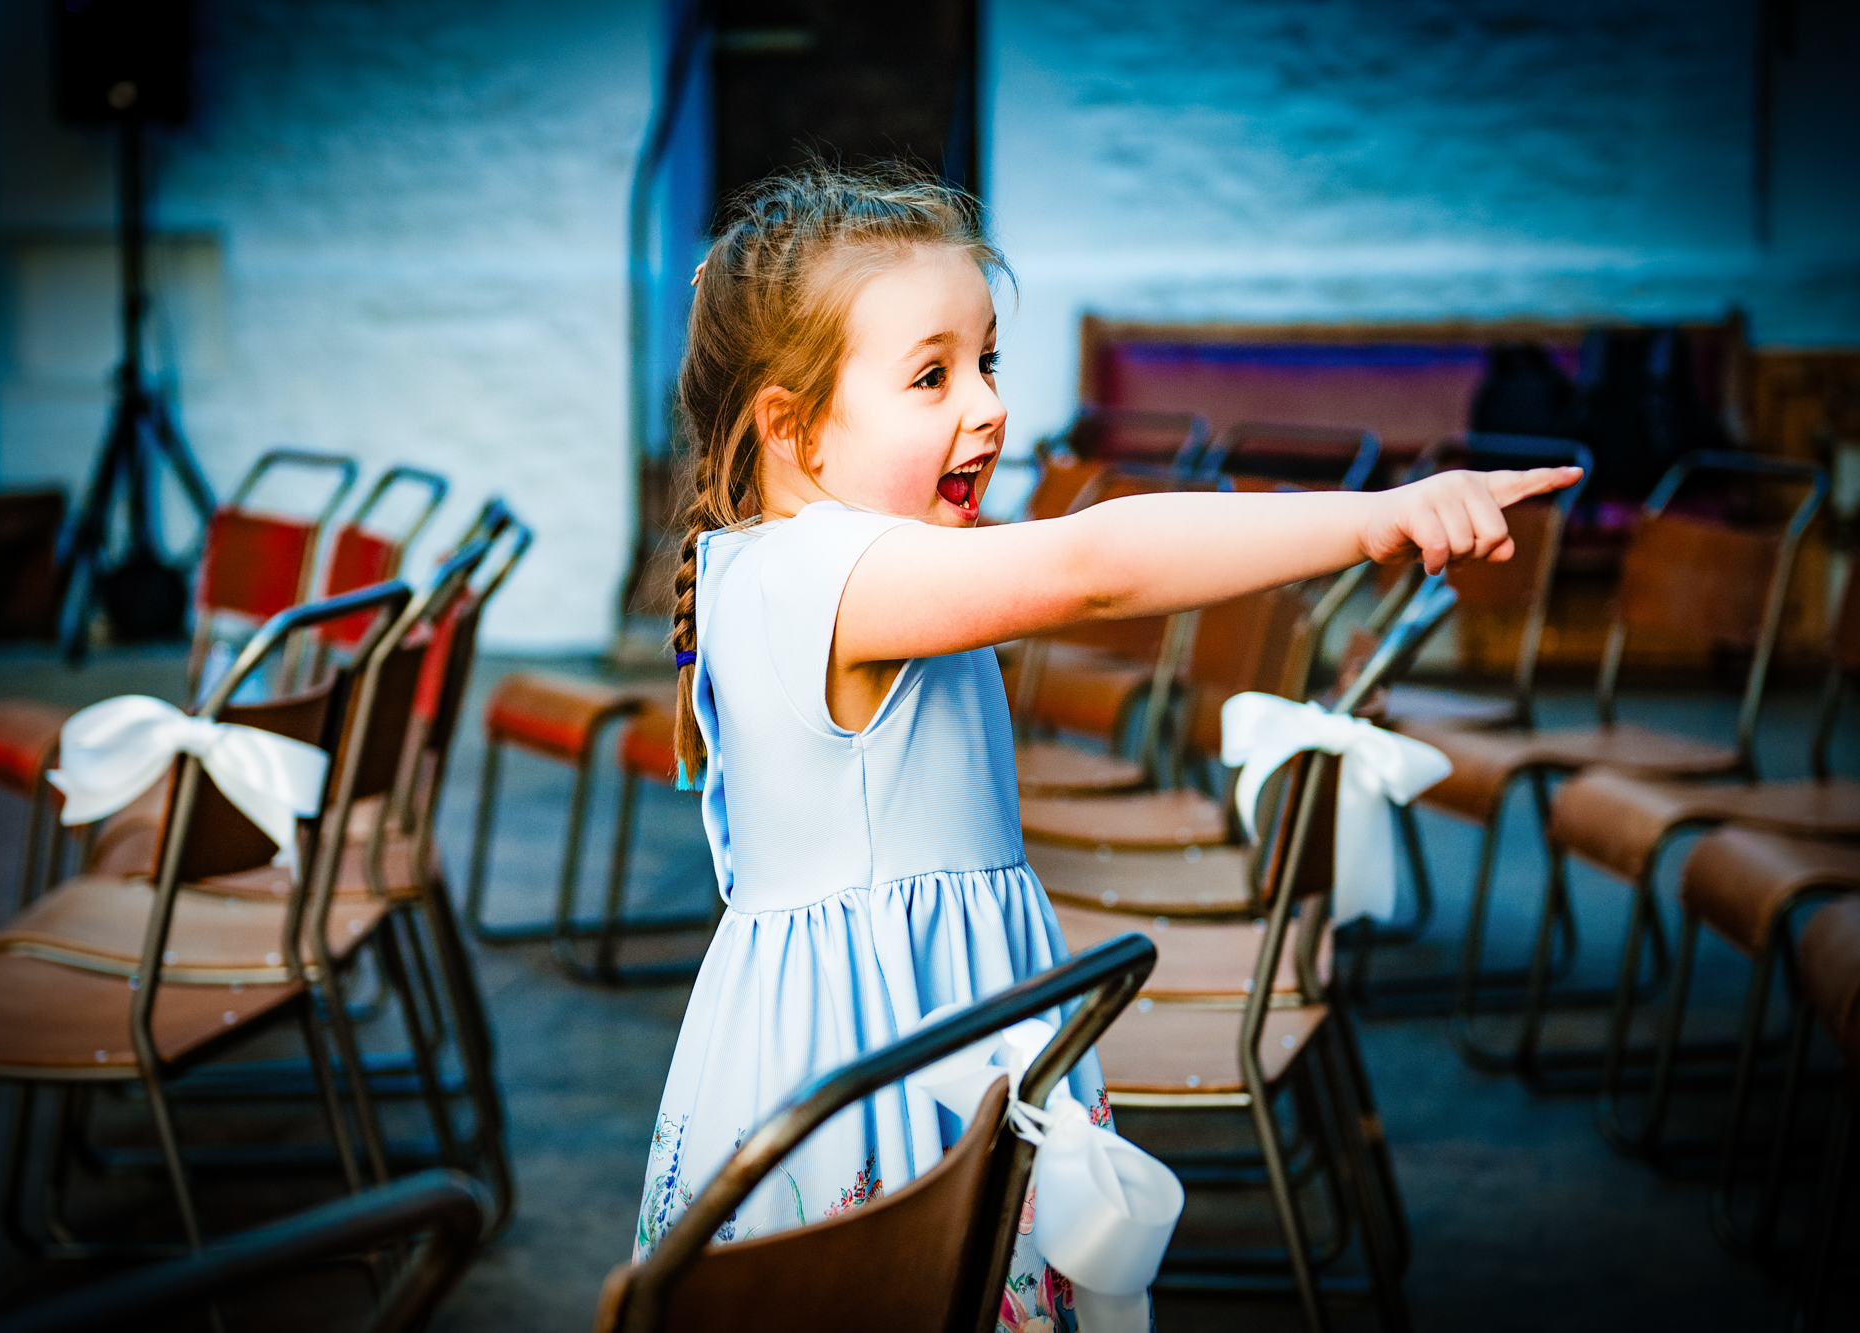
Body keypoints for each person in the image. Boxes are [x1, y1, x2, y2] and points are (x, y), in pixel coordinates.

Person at [634, 164, 1579, 1328]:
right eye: (930, 375)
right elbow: (1096, 567)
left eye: (985, 363)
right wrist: (1370, 518)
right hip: (873, 1062)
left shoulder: (826, 564)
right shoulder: (817, 575)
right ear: (791, 428)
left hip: (937, 1018)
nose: (983, 406)